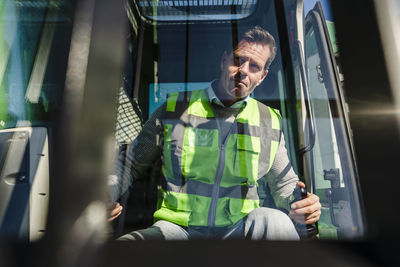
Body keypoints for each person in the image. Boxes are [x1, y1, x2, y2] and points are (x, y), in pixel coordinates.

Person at [108, 26, 321, 240]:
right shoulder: (174, 109)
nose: (244, 70)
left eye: (254, 66)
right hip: (177, 230)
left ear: (263, 76)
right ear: (224, 61)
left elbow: (284, 185)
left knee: (276, 221)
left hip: (238, 230)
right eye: (238, 60)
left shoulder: (269, 121)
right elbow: (129, 163)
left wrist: (304, 204)